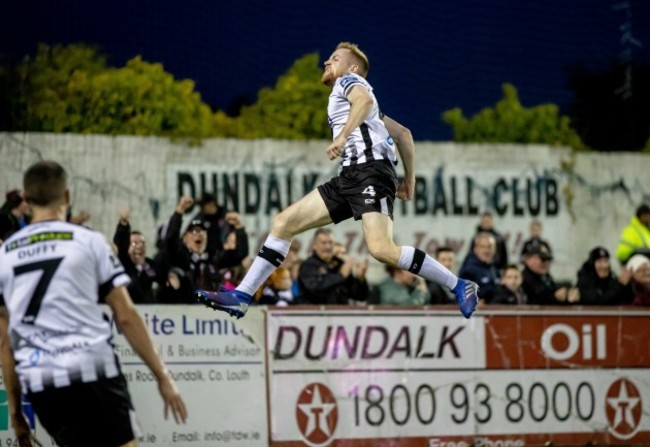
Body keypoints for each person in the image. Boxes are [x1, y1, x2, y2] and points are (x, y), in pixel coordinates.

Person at [195, 41, 479, 319]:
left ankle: (459, 285)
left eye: (334, 58)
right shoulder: (365, 109)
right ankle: (243, 295)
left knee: (382, 250)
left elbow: (365, 100)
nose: (327, 62)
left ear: (352, 67)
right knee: (284, 223)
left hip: (370, 171)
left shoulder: (349, 82)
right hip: (350, 176)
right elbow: (403, 134)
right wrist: (411, 181)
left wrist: (342, 137)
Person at [0, 161, 187, 447]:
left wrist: (15, 414)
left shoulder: (6, 255)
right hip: (93, 373)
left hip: (42, 382)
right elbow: (124, 315)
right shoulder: (88, 241)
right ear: (67, 196)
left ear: (26, 200)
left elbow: (6, 343)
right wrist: (162, 376)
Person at [164, 195, 249, 291]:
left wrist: (239, 228)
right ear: (185, 238)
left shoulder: (213, 258)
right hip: (188, 304)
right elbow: (170, 240)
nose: (198, 235)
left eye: (202, 231)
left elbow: (240, 254)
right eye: (194, 231)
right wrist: (179, 212)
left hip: (211, 304)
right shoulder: (181, 258)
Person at [296, 228, 369, 305]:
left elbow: (359, 296)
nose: (327, 246)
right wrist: (340, 276)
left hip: (340, 314)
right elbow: (314, 290)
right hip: (316, 315)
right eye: (323, 243)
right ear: (314, 246)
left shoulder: (340, 264)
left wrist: (360, 279)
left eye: (330, 242)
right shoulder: (308, 265)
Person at [113, 207, 164, 304]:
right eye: (134, 243)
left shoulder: (151, 265)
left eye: (142, 243)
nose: (139, 247)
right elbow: (120, 244)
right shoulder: (123, 265)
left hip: (151, 314)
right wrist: (123, 224)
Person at [521, 239, 580, 305]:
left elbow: (552, 289)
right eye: (543, 259)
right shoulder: (524, 279)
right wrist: (554, 297)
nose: (546, 263)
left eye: (548, 259)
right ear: (528, 259)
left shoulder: (545, 276)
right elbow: (537, 299)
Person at [459, 232, 500, 303]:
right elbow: (464, 296)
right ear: (476, 249)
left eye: (489, 247)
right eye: (482, 247)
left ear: (495, 249)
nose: (486, 250)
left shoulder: (494, 268)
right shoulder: (468, 269)